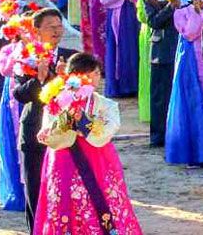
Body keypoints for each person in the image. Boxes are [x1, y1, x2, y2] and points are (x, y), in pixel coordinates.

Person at [34, 53, 143, 234]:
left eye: (97, 73)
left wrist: (82, 122)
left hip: (98, 159)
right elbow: (49, 135)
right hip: (63, 158)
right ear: (73, 76)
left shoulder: (106, 105)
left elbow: (107, 131)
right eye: (88, 73)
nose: (94, 78)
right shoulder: (56, 102)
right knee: (64, 199)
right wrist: (67, 118)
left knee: (104, 199)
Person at [13, 8, 77, 230]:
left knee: (66, 191)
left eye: (59, 26)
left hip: (65, 133)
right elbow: (19, 94)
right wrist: (39, 81)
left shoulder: (72, 56)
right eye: (51, 26)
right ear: (37, 30)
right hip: (34, 133)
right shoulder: (26, 58)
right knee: (36, 193)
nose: (57, 30)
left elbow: (86, 91)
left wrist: (66, 79)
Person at [165, 0, 203, 166]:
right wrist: (199, 14)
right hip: (190, 62)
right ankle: (196, 154)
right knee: (195, 104)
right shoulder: (182, 13)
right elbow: (190, 34)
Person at [144, 0, 186, 147]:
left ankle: (179, 133)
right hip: (163, 51)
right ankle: (158, 136)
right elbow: (154, 22)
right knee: (161, 96)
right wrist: (171, 6)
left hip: (184, 49)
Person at [99, 0, 147, 97]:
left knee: (134, 48)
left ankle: (135, 85)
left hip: (134, 18)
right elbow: (103, 0)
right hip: (117, 21)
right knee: (119, 51)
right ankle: (120, 87)